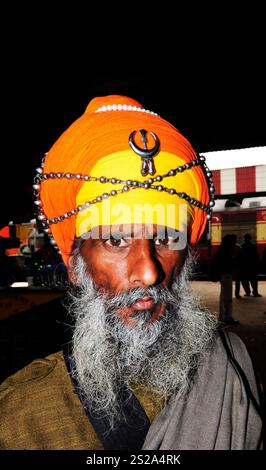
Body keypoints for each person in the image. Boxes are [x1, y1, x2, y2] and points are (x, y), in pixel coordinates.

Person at [0, 95, 263, 450]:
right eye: (116, 240)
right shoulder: (21, 415)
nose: (149, 272)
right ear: (77, 264)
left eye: (167, 237)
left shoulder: (229, 364)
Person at [210, 234, 240, 325]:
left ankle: (223, 317)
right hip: (226, 275)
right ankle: (227, 318)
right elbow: (229, 263)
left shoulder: (222, 249)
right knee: (227, 297)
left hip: (223, 275)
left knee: (224, 296)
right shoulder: (227, 250)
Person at [241, 233, 262, 297]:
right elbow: (256, 256)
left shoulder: (242, 246)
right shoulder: (253, 246)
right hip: (252, 266)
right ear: (250, 239)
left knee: (245, 280)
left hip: (245, 266)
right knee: (253, 280)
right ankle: (255, 292)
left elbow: (241, 257)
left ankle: (247, 292)